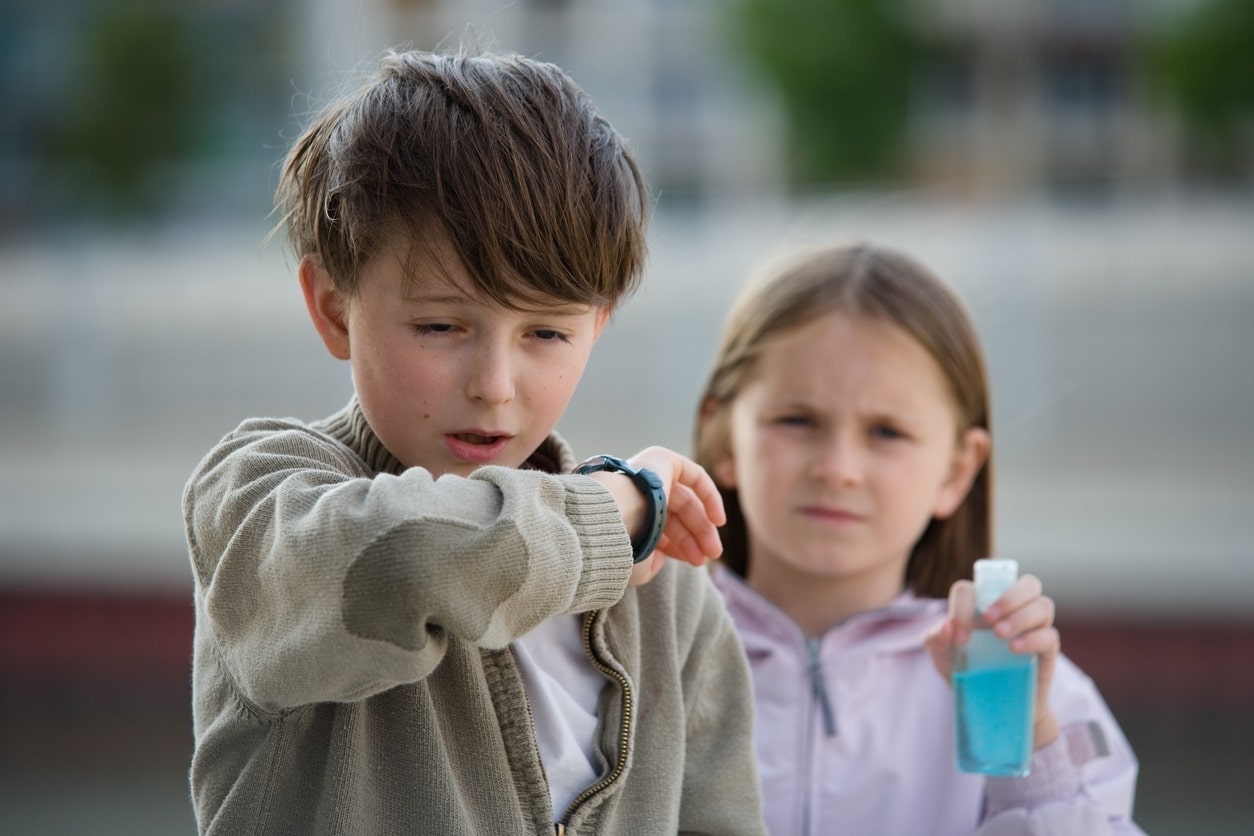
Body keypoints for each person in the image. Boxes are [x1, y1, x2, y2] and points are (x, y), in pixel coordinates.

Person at [182, 47, 766, 836]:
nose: (495, 382)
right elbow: (401, 565)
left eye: (547, 333)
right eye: (440, 326)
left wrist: (622, 518)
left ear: (599, 324)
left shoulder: (667, 593)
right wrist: (613, 510)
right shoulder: (259, 496)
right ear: (333, 307)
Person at [694, 242, 1144, 835]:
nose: (839, 468)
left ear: (958, 470)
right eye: (797, 421)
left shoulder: (1037, 699)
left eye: (887, 431)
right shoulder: (643, 657)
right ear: (723, 437)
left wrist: (1026, 745)